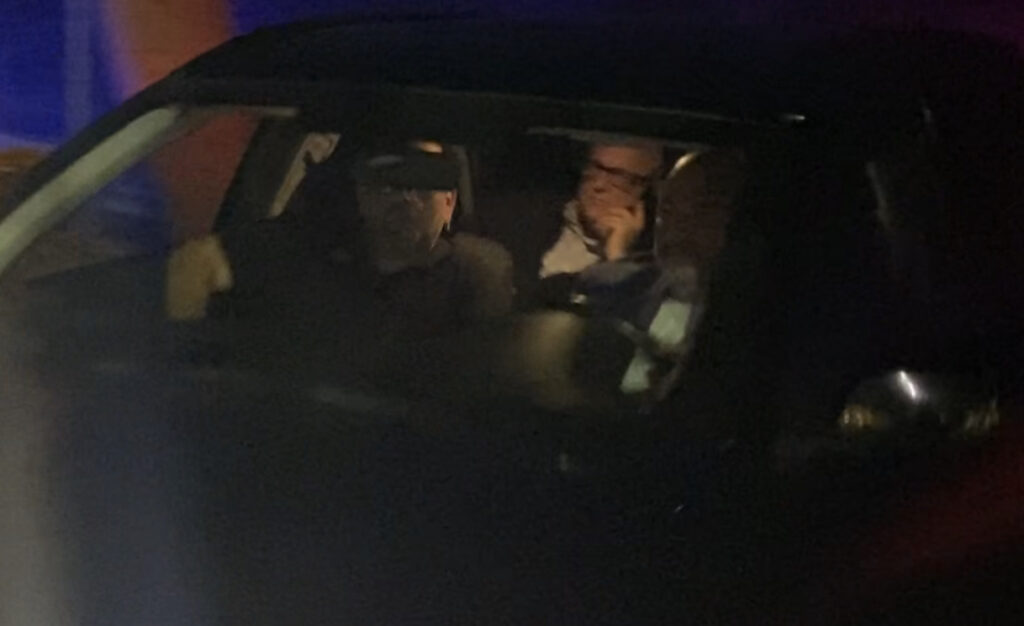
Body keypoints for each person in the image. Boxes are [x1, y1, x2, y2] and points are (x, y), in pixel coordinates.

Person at [166, 142, 515, 339]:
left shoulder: (476, 273)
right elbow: (199, 261)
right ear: (362, 194)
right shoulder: (305, 249)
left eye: (423, 184)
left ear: (450, 202)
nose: (406, 197)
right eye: (388, 182)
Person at [538, 142, 663, 278]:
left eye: (618, 177)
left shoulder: (655, 262)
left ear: (644, 190)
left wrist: (617, 256)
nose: (599, 184)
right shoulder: (537, 215)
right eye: (594, 168)